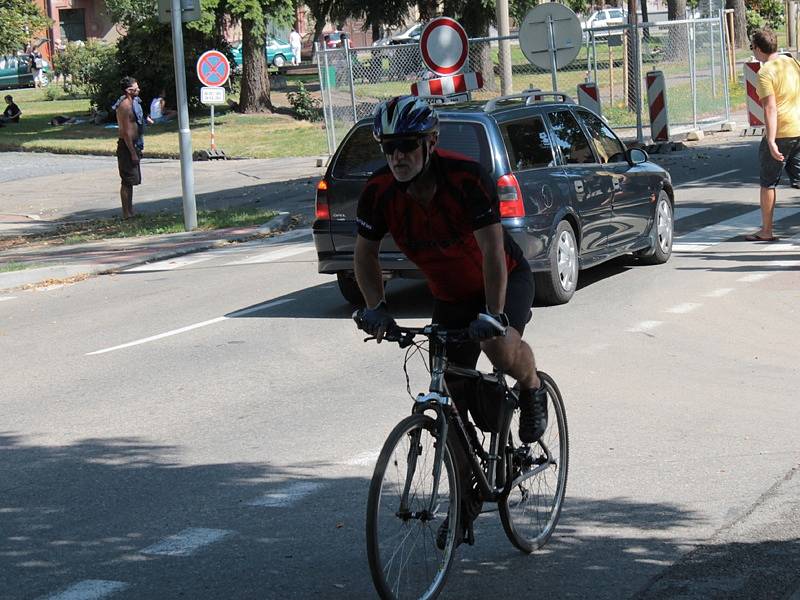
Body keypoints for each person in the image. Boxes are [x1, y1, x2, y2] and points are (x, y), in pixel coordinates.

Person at [354, 95, 548, 548]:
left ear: (431, 142)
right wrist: (376, 306)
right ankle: (467, 496)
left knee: (498, 350)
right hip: (450, 297)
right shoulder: (380, 191)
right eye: (389, 147)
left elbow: (495, 254)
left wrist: (495, 316)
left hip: (503, 280)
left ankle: (531, 383)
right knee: (450, 396)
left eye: (406, 145)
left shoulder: (466, 179)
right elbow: (364, 253)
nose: (397, 156)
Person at [747, 28, 800, 242]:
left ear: (759, 49)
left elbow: (770, 108)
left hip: (781, 132)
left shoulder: (765, 72)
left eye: (752, 48)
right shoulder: (792, 62)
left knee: (768, 182)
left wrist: (770, 139)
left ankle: (766, 230)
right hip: (799, 128)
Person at [112, 76, 146, 219]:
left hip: (135, 144)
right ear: (128, 90)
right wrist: (132, 152)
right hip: (127, 146)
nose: (138, 89)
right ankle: (126, 213)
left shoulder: (134, 103)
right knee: (126, 181)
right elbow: (125, 132)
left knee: (132, 180)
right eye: (135, 88)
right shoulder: (125, 106)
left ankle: (130, 211)